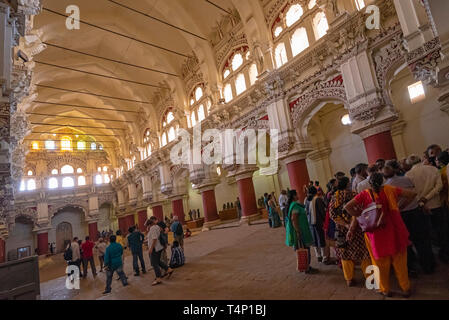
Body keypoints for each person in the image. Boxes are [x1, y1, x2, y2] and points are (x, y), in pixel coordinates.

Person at [344, 172, 416, 297]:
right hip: (394, 230)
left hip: (375, 234)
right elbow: (412, 194)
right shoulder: (390, 189)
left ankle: (385, 289)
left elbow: (347, 207)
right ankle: (405, 288)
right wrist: (400, 206)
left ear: (369, 183)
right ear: (383, 181)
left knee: (379, 264)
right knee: (400, 262)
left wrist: (360, 215)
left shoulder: (364, 194)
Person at [383, 160, 435, 275]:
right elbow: (414, 193)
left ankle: (412, 267)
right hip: (415, 212)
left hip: (401, 216)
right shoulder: (406, 179)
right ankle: (428, 265)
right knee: (422, 240)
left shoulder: (386, 186)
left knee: (405, 243)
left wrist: (399, 207)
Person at [406, 154, 448, 263]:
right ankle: (445, 254)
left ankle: (431, 258)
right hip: (436, 204)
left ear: (409, 164)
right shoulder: (433, 169)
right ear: (420, 160)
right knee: (441, 231)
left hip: (420, 207)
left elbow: (412, 192)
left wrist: (422, 201)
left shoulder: (408, 174)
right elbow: (439, 186)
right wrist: (427, 197)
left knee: (425, 234)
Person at [329, 177, 371, 286]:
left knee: (345, 254)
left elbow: (332, 215)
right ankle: (370, 277)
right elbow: (358, 211)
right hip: (357, 229)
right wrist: (351, 225)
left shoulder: (335, 197)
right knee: (364, 253)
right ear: (348, 184)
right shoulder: (354, 194)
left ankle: (349, 279)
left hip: (342, 230)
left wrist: (345, 224)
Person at [285, 190, 318, 274]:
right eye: (296, 194)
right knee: (304, 248)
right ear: (293, 196)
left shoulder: (295, 205)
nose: (298, 195)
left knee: (304, 248)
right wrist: (298, 231)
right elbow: (294, 219)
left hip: (302, 229)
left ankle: (306, 266)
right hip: (300, 231)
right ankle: (306, 267)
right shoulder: (295, 206)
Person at [147, 216, 174, 286]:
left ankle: (158, 278)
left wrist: (151, 248)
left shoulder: (152, 228)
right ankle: (168, 269)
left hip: (155, 248)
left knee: (154, 263)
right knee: (158, 261)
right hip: (159, 247)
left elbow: (154, 239)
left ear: (149, 225)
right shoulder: (157, 227)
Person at [305, 186, 329, 264]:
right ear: (315, 192)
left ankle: (318, 256)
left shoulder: (307, 200)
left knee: (314, 239)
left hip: (311, 223)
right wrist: (324, 221)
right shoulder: (318, 199)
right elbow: (322, 211)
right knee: (321, 239)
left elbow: (307, 212)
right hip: (318, 222)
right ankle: (324, 257)